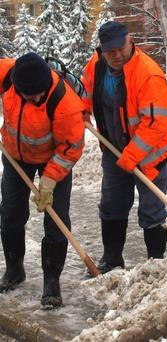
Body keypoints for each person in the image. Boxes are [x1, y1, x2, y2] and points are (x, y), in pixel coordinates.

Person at [81, 21, 167, 273]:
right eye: (109, 50)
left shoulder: (148, 74)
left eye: (119, 48)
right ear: (101, 49)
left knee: (152, 210)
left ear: (129, 41)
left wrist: (132, 155)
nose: (115, 55)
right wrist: (82, 109)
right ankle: (112, 260)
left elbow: (156, 125)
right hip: (114, 149)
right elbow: (86, 87)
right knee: (111, 205)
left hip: (149, 155)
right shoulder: (97, 65)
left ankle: (154, 265)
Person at [0, 53, 85, 308]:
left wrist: (49, 181)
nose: (36, 99)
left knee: (56, 219)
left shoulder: (64, 102)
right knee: (10, 213)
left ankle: (51, 283)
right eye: (29, 95)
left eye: (39, 94)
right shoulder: (7, 74)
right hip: (16, 157)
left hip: (54, 158)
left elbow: (71, 147)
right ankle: (14, 270)